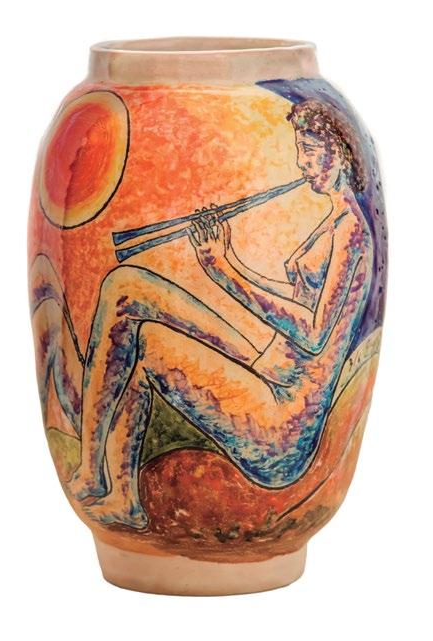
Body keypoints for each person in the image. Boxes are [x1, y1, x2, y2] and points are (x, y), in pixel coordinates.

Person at [31, 98, 373, 529]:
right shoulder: (333, 223)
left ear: (338, 153)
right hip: (271, 371)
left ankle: (97, 474)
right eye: (299, 151)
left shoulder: (351, 232)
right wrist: (225, 261)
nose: (301, 163)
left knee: (140, 327)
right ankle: (116, 491)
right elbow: (299, 299)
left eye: (308, 150)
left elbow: (314, 333)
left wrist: (225, 272)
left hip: (282, 423)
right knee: (127, 290)